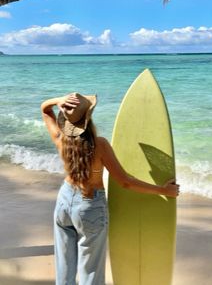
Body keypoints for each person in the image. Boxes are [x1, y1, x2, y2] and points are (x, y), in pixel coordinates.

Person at [41, 92, 179, 285]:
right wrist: (163, 190)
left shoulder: (60, 138)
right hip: (89, 207)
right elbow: (125, 181)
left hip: (64, 201)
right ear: (88, 118)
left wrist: (58, 101)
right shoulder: (100, 145)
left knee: (64, 267)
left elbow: (45, 110)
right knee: (91, 270)